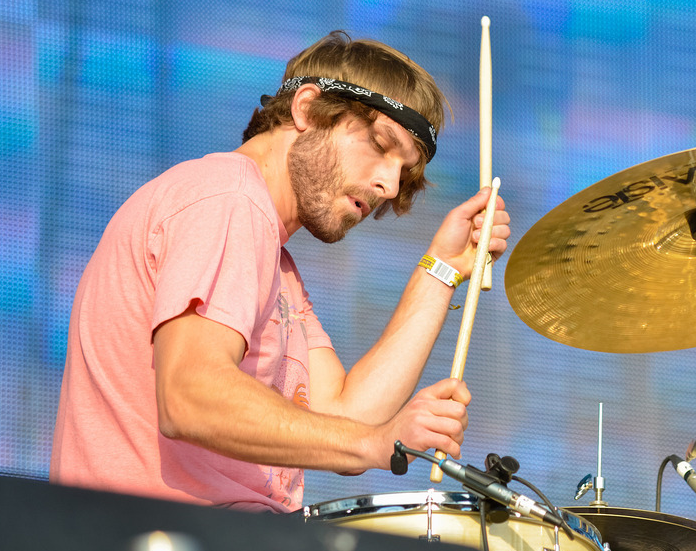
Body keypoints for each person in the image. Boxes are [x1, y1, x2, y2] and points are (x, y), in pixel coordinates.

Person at [50, 31, 510, 513]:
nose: (390, 186)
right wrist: (376, 442)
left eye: (404, 171)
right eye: (379, 144)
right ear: (308, 110)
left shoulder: (275, 260)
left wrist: (441, 269)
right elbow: (191, 395)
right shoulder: (228, 199)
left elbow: (343, 414)